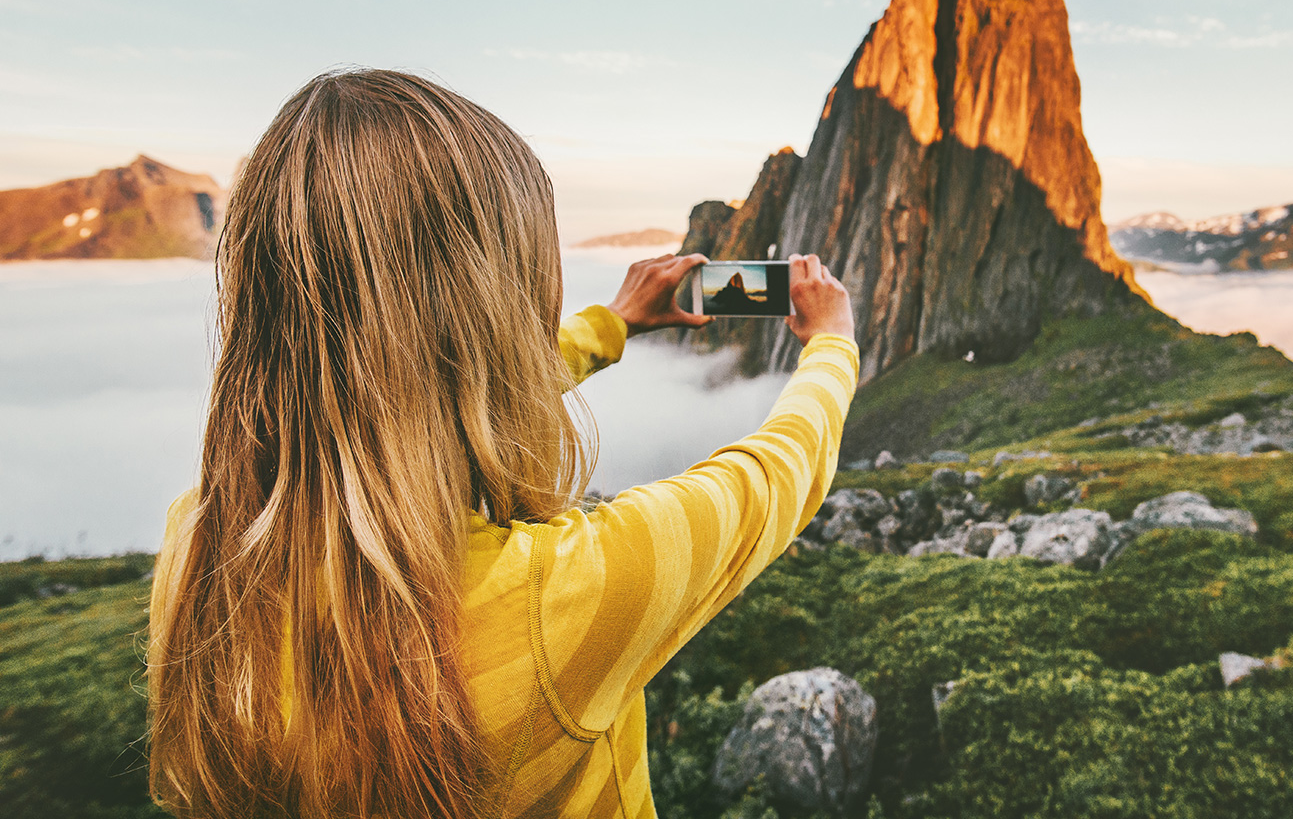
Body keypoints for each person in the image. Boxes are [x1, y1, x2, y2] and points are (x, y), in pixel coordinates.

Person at [146, 68, 859, 819]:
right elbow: (777, 473)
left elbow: (416, 399)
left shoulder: (197, 548)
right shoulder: (569, 593)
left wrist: (611, 326)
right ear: (492, 306)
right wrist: (832, 343)